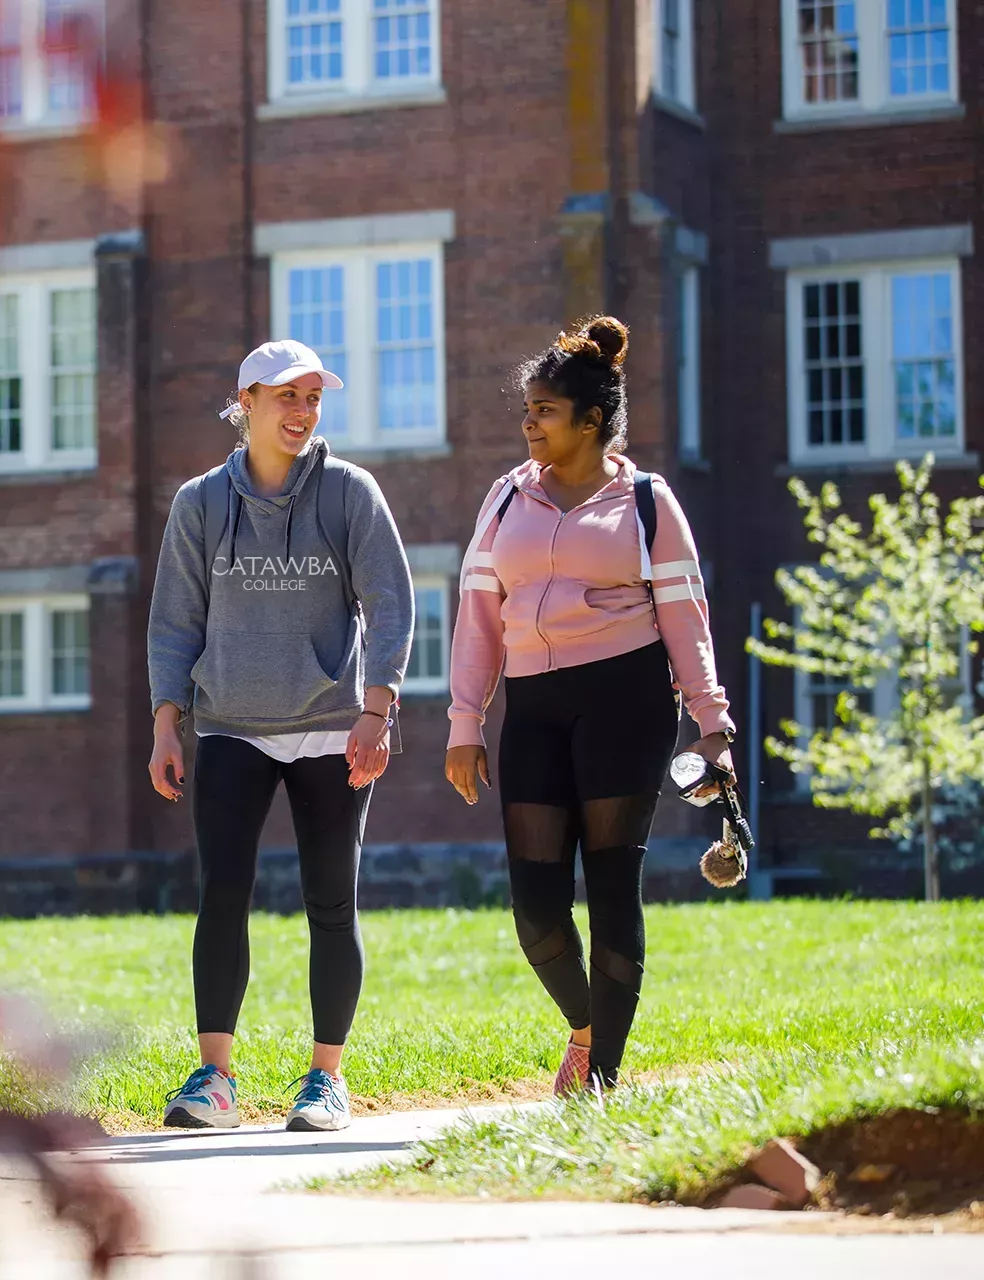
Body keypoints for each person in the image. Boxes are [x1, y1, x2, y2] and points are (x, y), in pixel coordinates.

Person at [444, 316, 736, 1097]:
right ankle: (586, 1026)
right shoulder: (506, 498)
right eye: (528, 410)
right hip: (534, 707)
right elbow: (478, 614)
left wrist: (713, 726)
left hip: (625, 700)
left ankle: (599, 1076)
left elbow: (686, 616)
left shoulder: (645, 501)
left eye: (544, 410)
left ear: (591, 420)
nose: (529, 423)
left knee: (611, 884)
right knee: (536, 906)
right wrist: (465, 721)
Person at [147, 339, 414, 1132]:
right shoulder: (200, 503)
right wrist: (166, 722)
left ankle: (325, 1080)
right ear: (247, 404)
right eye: (287, 397)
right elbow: (174, 620)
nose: (303, 412)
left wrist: (378, 711)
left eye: (313, 399)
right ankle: (215, 1080)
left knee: (331, 902)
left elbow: (391, 603)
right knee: (221, 897)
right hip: (232, 724)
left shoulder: (348, 493)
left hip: (332, 729)